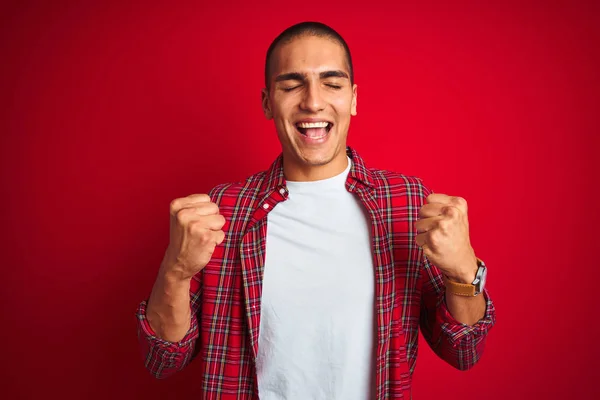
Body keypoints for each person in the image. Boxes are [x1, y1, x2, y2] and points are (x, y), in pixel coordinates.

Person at [135, 21, 496, 400]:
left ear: (353, 99)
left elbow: (463, 350)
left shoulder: (405, 202)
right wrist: (175, 271)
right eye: (291, 85)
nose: (312, 101)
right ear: (267, 102)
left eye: (332, 83)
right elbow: (163, 360)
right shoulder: (223, 211)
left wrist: (463, 271)